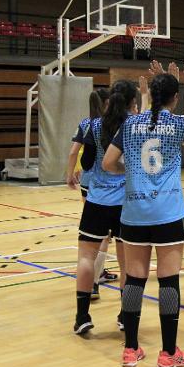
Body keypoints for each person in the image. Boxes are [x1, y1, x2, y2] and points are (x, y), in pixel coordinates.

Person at [102, 67, 184, 367]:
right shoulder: (178, 124)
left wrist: (129, 171)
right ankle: (169, 353)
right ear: (174, 97)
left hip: (134, 212)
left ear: (150, 96)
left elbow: (108, 163)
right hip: (168, 212)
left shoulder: (130, 124)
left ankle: (131, 349)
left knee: (134, 279)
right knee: (168, 281)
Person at [73, 80, 135, 336]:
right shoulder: (133, 126)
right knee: (126, 264)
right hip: (126, 203)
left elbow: (87, 162)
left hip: (97, 200)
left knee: (87, 257)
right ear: (132, 102)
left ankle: (82, 316)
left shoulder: (94, 126)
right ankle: (125, 316)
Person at [66, 89, 118, 300]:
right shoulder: (112, 124)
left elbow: (73, 152)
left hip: (89, 182)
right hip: (110, 183)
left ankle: (96, 273)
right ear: (108, 103)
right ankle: (95, 279)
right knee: (104, 234)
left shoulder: (86, 123)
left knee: (94, 233)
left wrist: (69, 173)